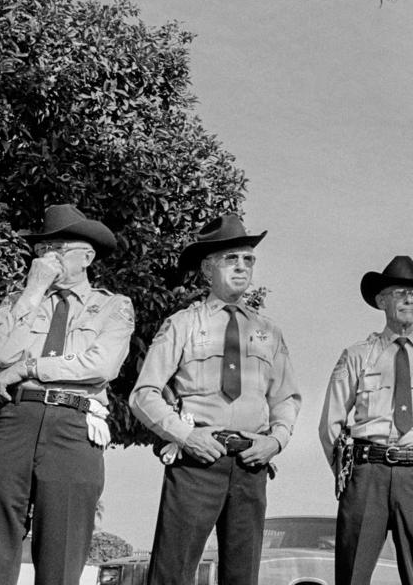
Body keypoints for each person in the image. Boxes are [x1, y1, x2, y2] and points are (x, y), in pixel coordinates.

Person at [130, 214, 301, 585]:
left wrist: (276, 440)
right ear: (208, 269)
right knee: (172, 573)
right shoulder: (182, 324)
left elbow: (286, 397)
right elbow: (144, 395)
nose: (242, 267)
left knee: (242, 575)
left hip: (251, 464)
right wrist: (185, 435)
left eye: (248, 260)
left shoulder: (269, 331)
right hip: (197, 460)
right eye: (231, 259)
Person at [0, 204, 134, 585]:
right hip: (15, 418)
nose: (49, 259)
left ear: (87, 256)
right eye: (44, 251)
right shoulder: (19, 300)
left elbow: (101, 365)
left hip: (74, 425)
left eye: (59, 249)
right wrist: (33, 290)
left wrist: (29, 367)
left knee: (62, 551)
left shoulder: (113, 305)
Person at [319, 255, 413, 585]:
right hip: (368, 473)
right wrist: (348, 474)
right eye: (399, 292)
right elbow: (332, 421)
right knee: (353, 575)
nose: (409, 299)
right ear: (382, 300)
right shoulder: (357, 355)